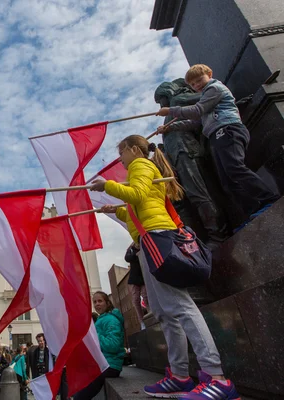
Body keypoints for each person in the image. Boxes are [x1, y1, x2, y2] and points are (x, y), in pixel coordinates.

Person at [91, 134, 240, 399]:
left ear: (134, 150)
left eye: (121, 152)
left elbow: (135, 193)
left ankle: (216, 376)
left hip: (158, 238)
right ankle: (181, 375)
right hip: (150, 240)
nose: (120, 159)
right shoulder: (145, 168)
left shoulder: (140, 165)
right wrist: (117, 210)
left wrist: (108, 186)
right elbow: (142, 205)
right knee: (163, 310)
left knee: (179, 306)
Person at [157, 64, 280, 229]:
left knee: (235, 168)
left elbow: (197, 110)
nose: (197, 85)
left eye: (199, 80)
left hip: (228, 129)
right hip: (217, 134)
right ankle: (253, 210)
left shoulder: (214, 88)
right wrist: (169, 128)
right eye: (193, 84)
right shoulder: (205, 96)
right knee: (227, 180)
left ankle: (268, 198)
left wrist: (171, 111)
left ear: (209, 74)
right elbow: (195, 122)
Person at [73, 292, 125, 399]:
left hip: (110, 365)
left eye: (100, 301)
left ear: (107, 303)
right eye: (95, 302)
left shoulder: (112, 320)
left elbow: (113, 345)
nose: (97, 304)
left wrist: (94, 335)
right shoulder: (102, 319)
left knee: (80, 397)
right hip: (102, 364)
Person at [125, 243, 148, 329]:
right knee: (135, 299)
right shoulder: (131, 249)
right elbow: (127, 258)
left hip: (143, 277)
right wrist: (132, 249)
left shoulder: (143, 247)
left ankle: (151, 315)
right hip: (134, 278)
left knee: (146, 297)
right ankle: (141, 321)